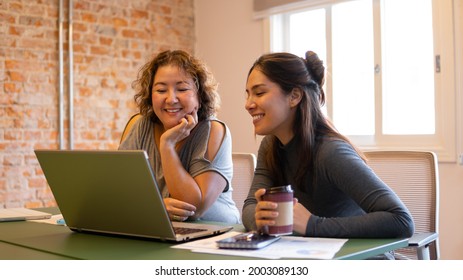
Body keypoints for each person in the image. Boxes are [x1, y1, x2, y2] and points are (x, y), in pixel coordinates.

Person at [242, 51, 414, 240]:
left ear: (294, 96)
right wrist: (259, 218)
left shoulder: (330, 152)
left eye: (259, 93)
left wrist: (312, 224)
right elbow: (250, 206)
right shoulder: (271, 146)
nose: (248, 104)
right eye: (248, 95)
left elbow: (401, 220)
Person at [119, 50, 240, 224]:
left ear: (199, 96)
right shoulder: (138, 125)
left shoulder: (213, 130)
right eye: (161, 90)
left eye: (182, 89)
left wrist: (167, 145)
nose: (171, 99)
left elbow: (193, 208)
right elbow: (120, 192)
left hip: (214, 235)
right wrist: (157, 208)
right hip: (158, 229)